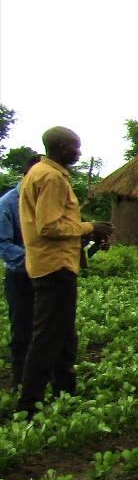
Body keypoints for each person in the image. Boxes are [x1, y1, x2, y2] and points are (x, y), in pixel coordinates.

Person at [17, 127, 112, 417]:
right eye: (75, 147)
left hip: (51, 264)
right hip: (54, 266)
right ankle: (29, 404)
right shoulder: (51, 178)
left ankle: (65, 393)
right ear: (60, 147)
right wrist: (89, 227)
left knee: (64, 335)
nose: (79, 152)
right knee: (48, 336)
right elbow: (49, 226)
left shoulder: (40, 173)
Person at [0, 155, 42, 388]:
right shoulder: (7, 204)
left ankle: (41, 378)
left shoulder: (45, 200)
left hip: (45, 274)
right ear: (27, 175)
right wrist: (34, 259)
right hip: (20, 276)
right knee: (22, 328)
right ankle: (19, 380)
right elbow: (3, 244)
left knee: (45, 328)